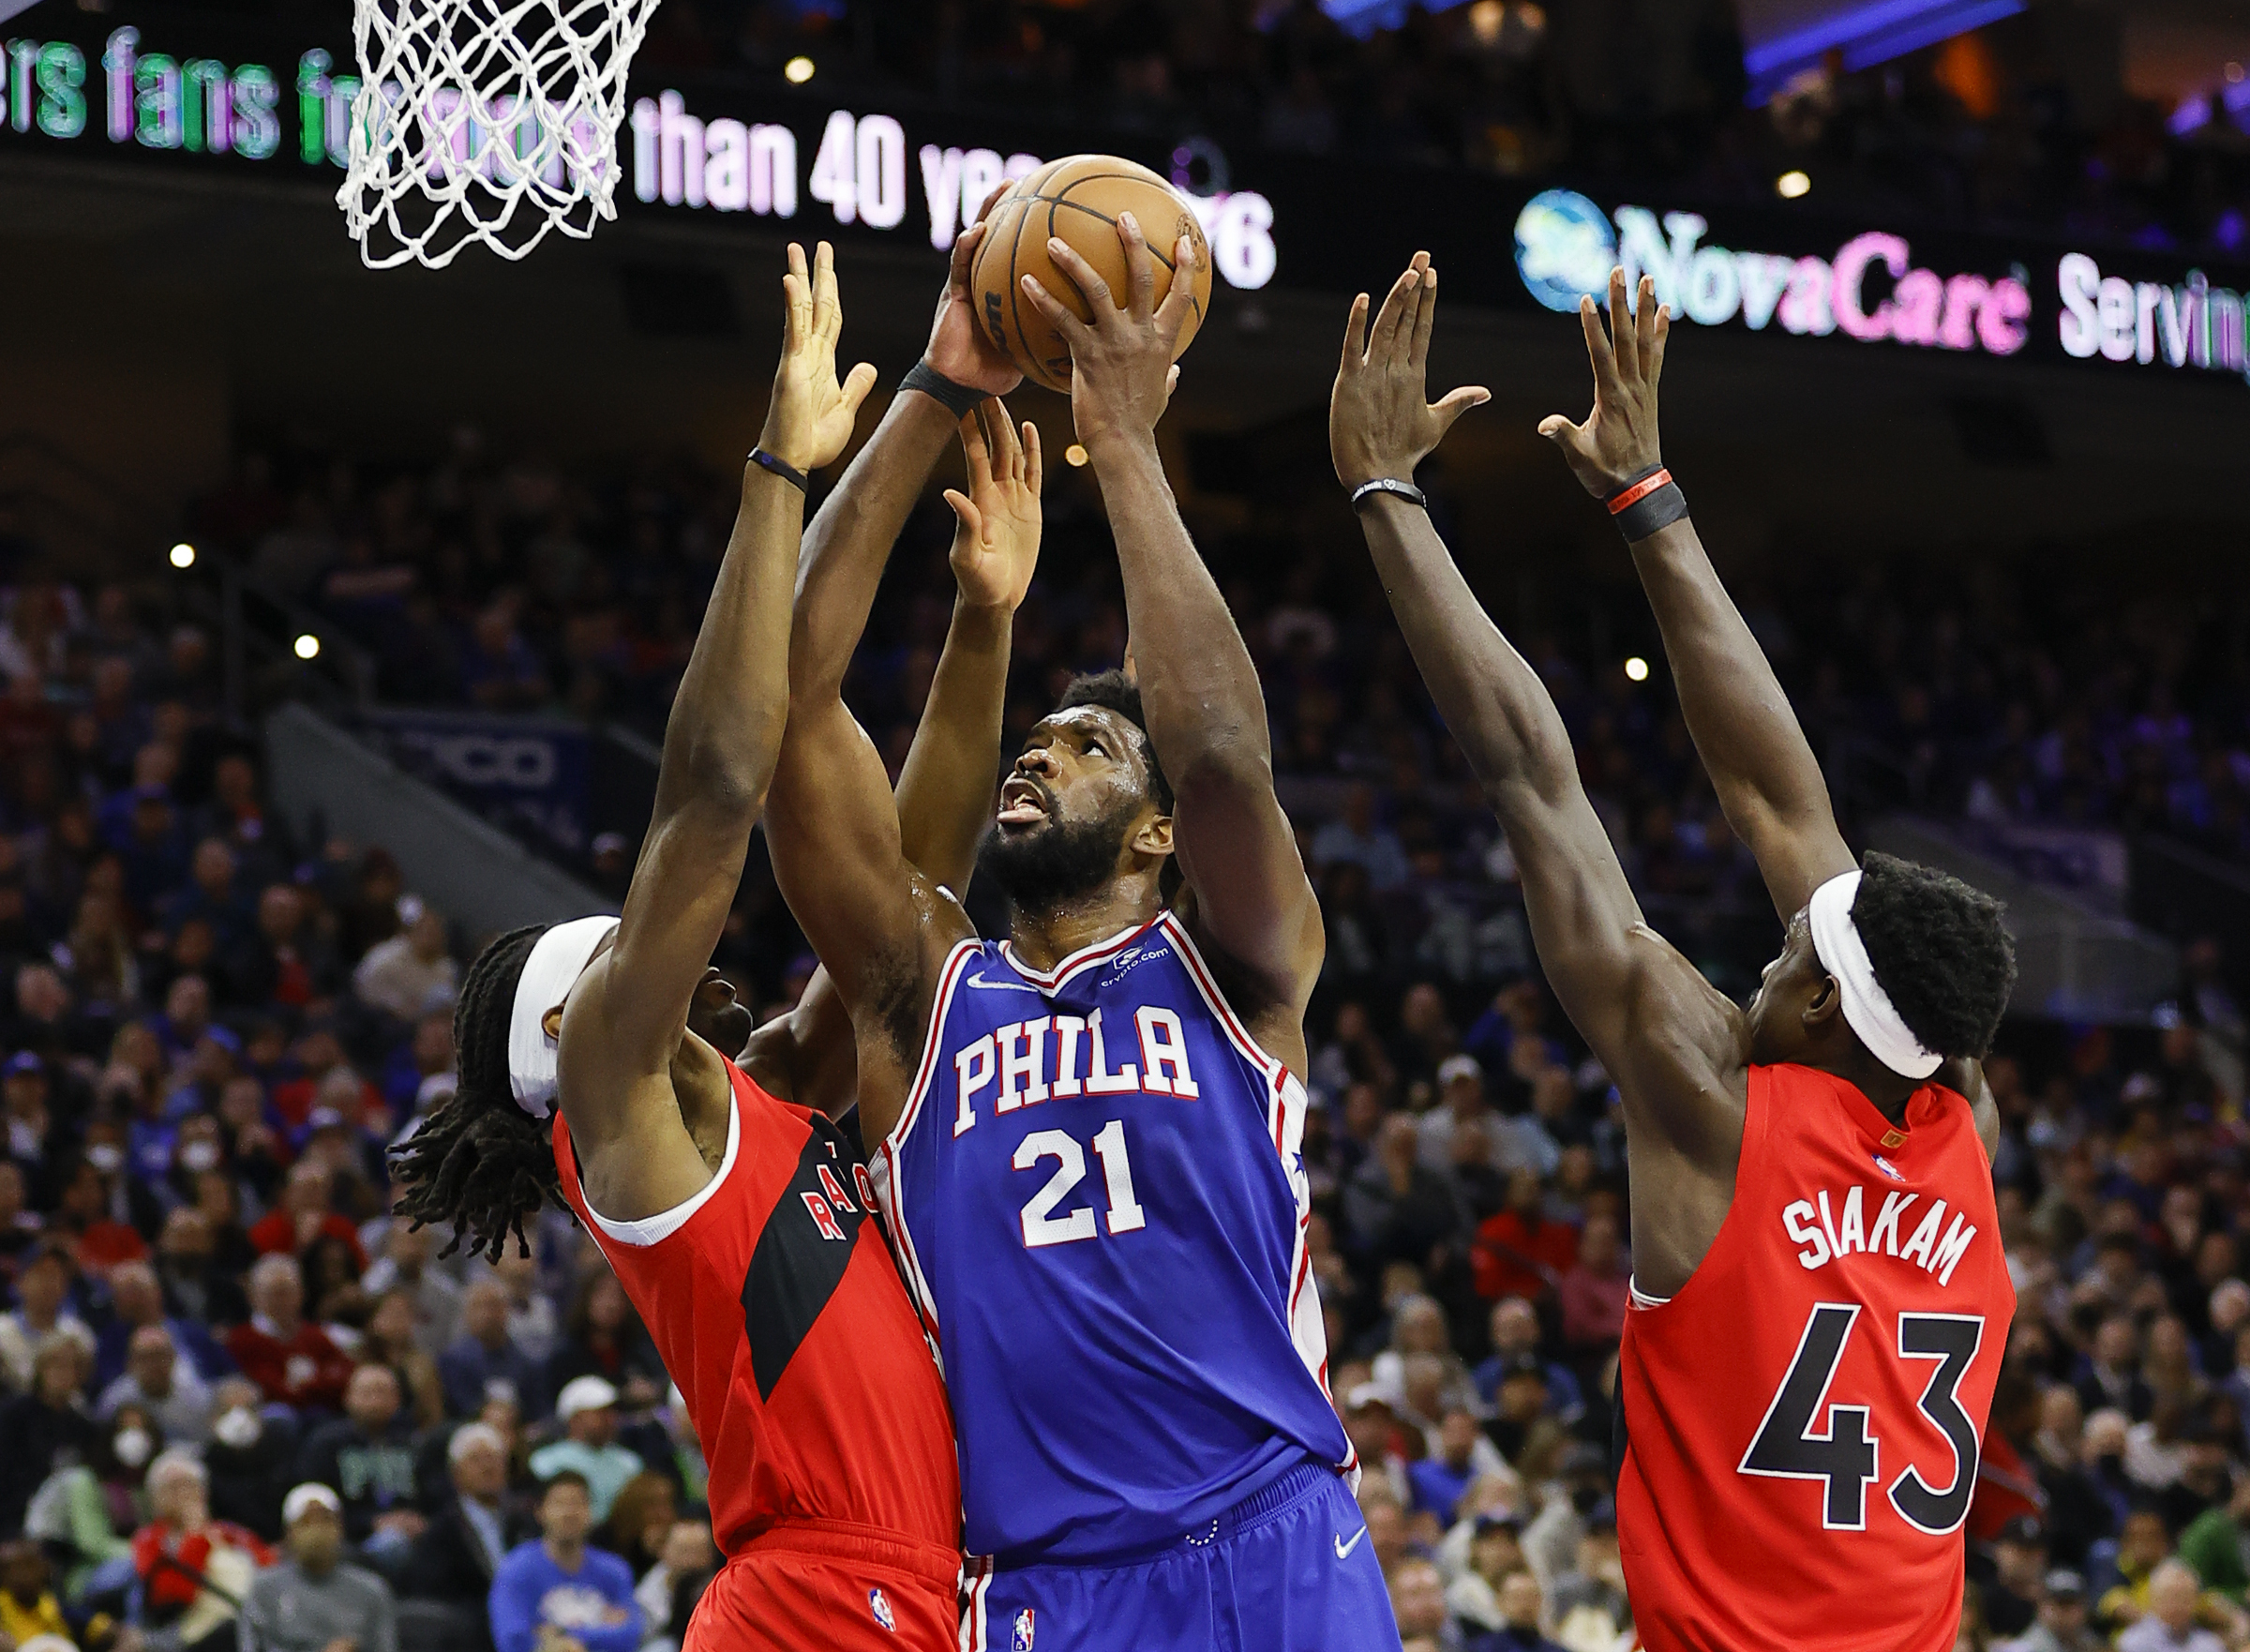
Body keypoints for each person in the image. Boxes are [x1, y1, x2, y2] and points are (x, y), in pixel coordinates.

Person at [1328, 254, 2017, 1652]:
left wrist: (1385, 497)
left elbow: (1534, 777)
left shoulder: (1713, 1106)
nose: (1760, 964)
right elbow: (1784, 805)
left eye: (1781, 962)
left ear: (1821, 1004)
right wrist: (1650, 500)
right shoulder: (1962, 1114)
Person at [761, 212, 1391, 1651]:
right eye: (1031, 744)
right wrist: (933, 387)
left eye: (1092, 746)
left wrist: (1128, 452)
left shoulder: (1235, 963)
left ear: (1158, 831)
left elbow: (1226, 754)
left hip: (1276, 1529)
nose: (1036, 759)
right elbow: (782, 708)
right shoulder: (924, 993)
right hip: (1048, 1583)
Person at [393, 238, 1024, 1652]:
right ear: (572, 1029)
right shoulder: (619, 1116)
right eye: (621, 952)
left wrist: (982, 621)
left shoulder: (772, 1103)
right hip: (810, 1595)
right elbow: (716, 786)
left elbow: (909, 899)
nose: (662, 950)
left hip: (938, 1587)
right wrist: (777, 472)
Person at [132, 1449, 273, 1649]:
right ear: (155, 1499)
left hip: (254, 1626)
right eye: (173, 1487)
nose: (183, 1493)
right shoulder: (150, 1540)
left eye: (189, 1485)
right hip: (193, 1637)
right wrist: (196, 1536)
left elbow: (270, 1569)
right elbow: (170, 1597)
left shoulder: (230, 1532)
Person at [488, 1471, 639, 1652]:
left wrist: (561, 1633)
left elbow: (632, 1635)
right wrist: (602, 1629)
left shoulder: (614, 1570)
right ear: (540, 1512)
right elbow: (512, 1640)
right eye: (560, 1504)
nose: (569, 1513)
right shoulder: (516, 1570)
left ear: (591, 1512)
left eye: (578, 1503)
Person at [403, 1422, 529, 1642]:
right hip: (472, 1631)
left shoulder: (525, 1522)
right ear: (456, 1474)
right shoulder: (442, 1533)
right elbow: (435, 1595)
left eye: (493, 1458)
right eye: (476, 1459)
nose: (487, 1467)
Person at [240, 1482, 398, 1652]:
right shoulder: (264, 1589)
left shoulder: (371, 1592)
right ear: (288, 1532)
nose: (317, 1531)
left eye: (326, 1520)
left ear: (340, 1528)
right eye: (306, 1522)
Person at [292, 1363, 422, 1559]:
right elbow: (316, 1501)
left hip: (408, 1536)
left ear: (397, 1400)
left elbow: (428, 1496)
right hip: (350, 1541)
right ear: (348, 1398)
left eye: (383, 1393)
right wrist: (372, 1522)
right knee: (391, 1543)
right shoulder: (326, 1444)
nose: (375, 1402)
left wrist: (418, 1520)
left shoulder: (412, 1444)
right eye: (367, 1393)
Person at [527, 1377, 641, 1524]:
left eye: (612, 1412)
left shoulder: (629, 1463)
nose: (610, 1419)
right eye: (600, 1413)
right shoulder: (546, 1461)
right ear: (575, 1418)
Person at [2116, 1559, 2227, 1652]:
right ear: (2153, 1599)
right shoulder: (2133, 1643)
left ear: (2196, 1601)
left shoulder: (2210, 1644)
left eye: (2185, 1598)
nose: (2178, 1605)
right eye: (2172, 1596)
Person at [1996, 1569, 2100, 1652]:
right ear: (2041, 1606)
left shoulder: (2090, 1642)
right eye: (2059, 1603)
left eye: (2072, 1603)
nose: (2064, 1612)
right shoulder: (2026, 1647)